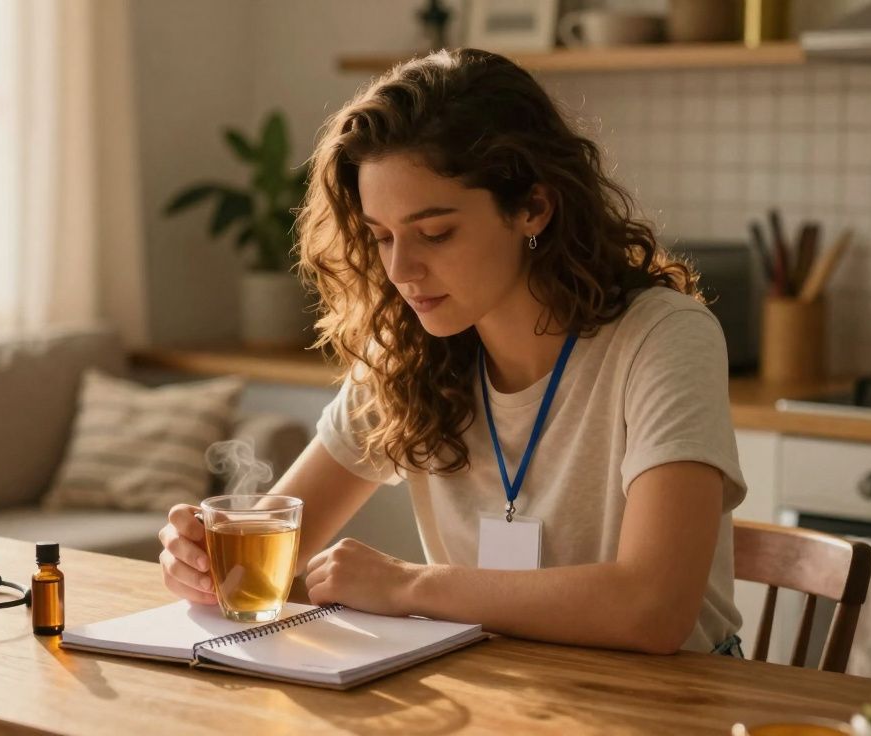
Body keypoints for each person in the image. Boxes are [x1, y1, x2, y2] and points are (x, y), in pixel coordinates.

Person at [159, 47, 746, 656]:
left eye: (435, 233)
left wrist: (411, 585)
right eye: (381, 237)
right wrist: (203, 563)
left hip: (670, 705)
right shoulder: (409, 354)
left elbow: (652, 609)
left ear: (533, 208)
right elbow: (269, 559)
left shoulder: (663, 337)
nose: (400, 270)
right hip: (502, 695)